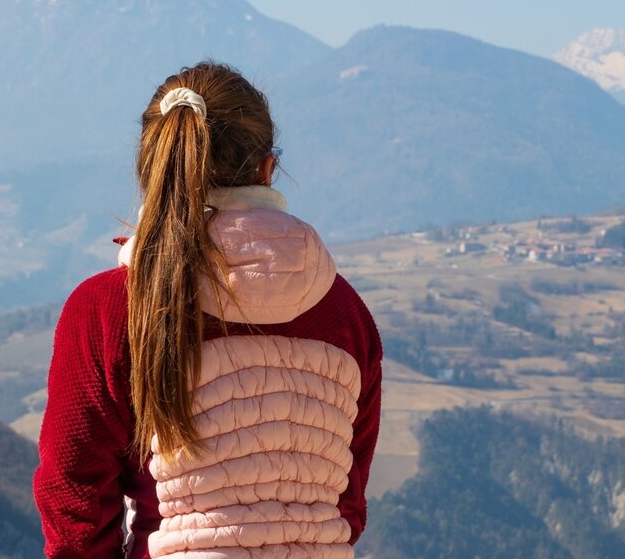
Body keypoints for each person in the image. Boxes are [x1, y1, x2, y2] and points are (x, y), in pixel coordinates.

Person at [33, 61, 383, 558]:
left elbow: (75, 499)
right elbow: (347, 503)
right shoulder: (345, 312)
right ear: (267, 168)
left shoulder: (111, 308)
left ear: (153, 167)